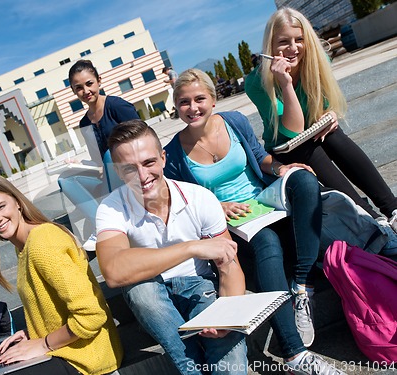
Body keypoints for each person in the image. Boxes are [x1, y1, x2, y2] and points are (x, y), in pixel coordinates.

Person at [164, 68, 346, 375]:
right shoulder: (173, 154)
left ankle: (301, 285)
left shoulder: (234, 121)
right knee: (267, 242)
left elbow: (260, 156)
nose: (192, 108)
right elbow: (180, 200)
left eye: (199, 99)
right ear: (176, 106)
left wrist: (280, 169)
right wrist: (215, 205)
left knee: (302, 179)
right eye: (184, 102)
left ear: (213, 98)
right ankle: (294, 355)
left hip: (263, 201)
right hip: (231, 222)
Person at [95, 119, 248, 375]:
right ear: (119, 172)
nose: (143, 176)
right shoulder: (112, 207)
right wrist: (191, 248)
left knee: (229, 351)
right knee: (142, 292)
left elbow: (230, 266)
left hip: (199, 285)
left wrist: (227, 318)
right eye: (130, 169)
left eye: (149, 162)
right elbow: (113, 271)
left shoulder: (200, 198)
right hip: (150, 290)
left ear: (163, 158)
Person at [245, 7, 397, 228]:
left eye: (299, 39)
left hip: (317, 134)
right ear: (271, 46)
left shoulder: (317, 60)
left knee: (333, 134)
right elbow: (293, 130)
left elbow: (324, 105)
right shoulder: (257, 82)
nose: (293, 48)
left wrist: (330, 114)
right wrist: (285, 84)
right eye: (283, 42)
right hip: (287, 148)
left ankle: (391, 208)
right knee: (307, 145)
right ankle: (371, 220)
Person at [0, 174, 123, 375]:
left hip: (86, 357)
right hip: (67, 350)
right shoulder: (24, 245)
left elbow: (92, 315)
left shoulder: (43, 242)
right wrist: (32, 334)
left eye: (0, 207)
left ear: (17, 202)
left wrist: (43, 344)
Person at [61, 60, 140, 248]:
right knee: (66, 179)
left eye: (89, 84)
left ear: (99, 81)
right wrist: (77, 164)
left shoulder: (117, 106)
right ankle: (102, 228)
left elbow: (145, 139)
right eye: (78, 88)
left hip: (133, 171)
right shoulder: (84, 123)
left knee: (110, 155)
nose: (85, 91)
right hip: (109, 177)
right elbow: (97, 161)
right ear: (73, 92)